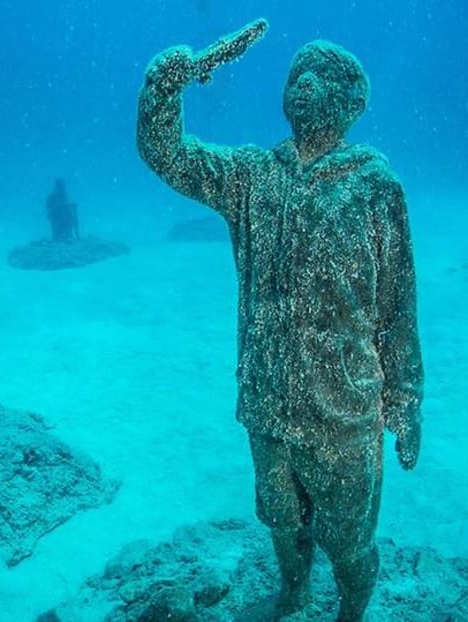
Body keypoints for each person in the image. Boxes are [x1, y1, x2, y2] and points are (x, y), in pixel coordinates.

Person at [137, 32, 424, 622]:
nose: (303, 82)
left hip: (345, 408)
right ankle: (292, 593)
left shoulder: (374, 187)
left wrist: (406, 401)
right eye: (297, 73)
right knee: (280, 516)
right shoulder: (252, 176)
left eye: (321, 74)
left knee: (347, 536)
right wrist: (165, 87)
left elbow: (398, 305)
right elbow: (169, 154)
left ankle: (351, 610)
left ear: (350, 101)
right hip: (268, 398)